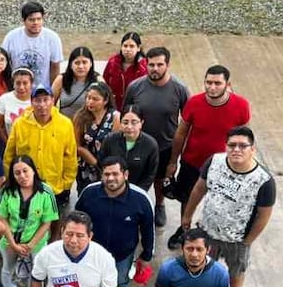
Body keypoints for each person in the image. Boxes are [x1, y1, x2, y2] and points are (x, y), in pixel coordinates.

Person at [181, 127, 275, 287]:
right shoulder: (214, 162)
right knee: (203, 265)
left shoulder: (263, 181)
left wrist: (247, 241)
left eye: (243, 146)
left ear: (253, 149)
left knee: (236, 271)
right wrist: (187, 215)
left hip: (237, 239)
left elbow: (264, 215)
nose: (236, 150)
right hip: (208, 231)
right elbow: (199, 188)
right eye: (232, 145)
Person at [165, 65, 252, 250]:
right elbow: (181, 134)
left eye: (217, 83)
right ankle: (184, 229)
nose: (212, 87)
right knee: (187, 199)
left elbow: (245, 138)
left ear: (228, 84)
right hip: (192, 163)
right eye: (208, 82)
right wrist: (173, 161)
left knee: (221, 203)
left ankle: (214, 236)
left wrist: (245, 163)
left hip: (225, 167)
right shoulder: (194, 103)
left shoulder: (241, 106)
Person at [75, 158, 155, 287]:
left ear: (125, 175)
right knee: (90, 280)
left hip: (122, 255)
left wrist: (147, 255)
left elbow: (148, 230)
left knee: (120, 282)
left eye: (115, 174)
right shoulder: (89, 193)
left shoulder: (141, 199)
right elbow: (76, 219)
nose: (110, 178)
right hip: (91, 253)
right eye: (106, 174)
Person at [122, 46, 190, 228]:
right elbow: (126, 114)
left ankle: (159, 205)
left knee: (159, 179)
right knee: (133, 178)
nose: (155, 69)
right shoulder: (135, 87)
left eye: (160, 64)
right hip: (137, 144)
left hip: (165, 146)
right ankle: (132, 206)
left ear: (168, 65)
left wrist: (177, 155)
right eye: (151, 64)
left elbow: (188, 120)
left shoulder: (180, 89)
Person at [0, 156, 59, 287]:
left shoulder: (46, 192)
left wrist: (30, 245)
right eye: (17, 173)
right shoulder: (5, 192)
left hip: (36, 243)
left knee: (36, 272)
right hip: (9, 242)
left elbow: (47, 222)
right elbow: (2, 219)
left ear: (33, 171)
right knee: (8, 269)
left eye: (25, 171)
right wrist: (13, 244)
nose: (22, 176)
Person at [2, 85, 78, 222]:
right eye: (37, 100)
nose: (42, 105)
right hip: (26, 186)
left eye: (46, 100)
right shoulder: (20, 124)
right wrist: (12, 180)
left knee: (55, 226)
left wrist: (66, 185)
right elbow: (9, 155)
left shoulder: (65, 124)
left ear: (53, 100)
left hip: (55, 188)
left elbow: (70, 157)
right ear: (31, 102)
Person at [1, 0, 64, 90]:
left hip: (41, 90)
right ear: (23, 20)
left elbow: (55, 66)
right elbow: (4, 63)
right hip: (18, 89)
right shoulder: (11, 37)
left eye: (39, 19)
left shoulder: (52, 38)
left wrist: (52, 91)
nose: (36, 23)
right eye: (31, 20)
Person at [99, 105, 159, 193]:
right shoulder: (110, 140)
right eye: (125, 122)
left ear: (141, 123)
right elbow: (101, 164)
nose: (129, 127)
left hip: (137, 191)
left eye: (134, 122)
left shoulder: (151, 144)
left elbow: (150, 174)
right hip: (110, 189)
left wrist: (139, 192)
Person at [73, 81, 119, 191]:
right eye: (88, 98)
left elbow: (116, 145)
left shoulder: (115, 117)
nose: (90, 102)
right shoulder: (80, 117)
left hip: (108, 165)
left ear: (106, 100)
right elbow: (78, 145)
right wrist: (96, 163)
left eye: (95, 99)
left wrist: (104, 167)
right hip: (87, 166)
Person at [102, 32, 147, 112]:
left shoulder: (144, 66)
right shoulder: (112, 62)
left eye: (132, 46)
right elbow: (105, 83)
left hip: (135, 110)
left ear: (138, 48)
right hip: (113, 108)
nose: (128, 49)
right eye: (125, 46)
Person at [52, 46, 100, 119]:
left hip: (89, 127)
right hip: (65, 127)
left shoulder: (98, 80)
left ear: (91, 64)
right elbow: (50, 103)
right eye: (77, 63)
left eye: (84, 62)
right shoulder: (61, 80)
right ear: (71, 64)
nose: (81, 66)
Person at [0, 67, 33, 148]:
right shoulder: (5, 99)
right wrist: (9, 143)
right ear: (13, 84)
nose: (21, 87)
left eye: (25, 83)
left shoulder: (37, 100)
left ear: (31, 84)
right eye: (18, 83)